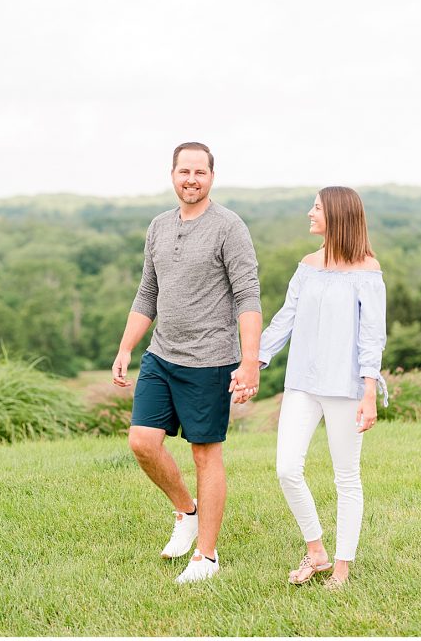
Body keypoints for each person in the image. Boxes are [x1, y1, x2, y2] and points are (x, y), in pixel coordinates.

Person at [111, 141, 262, 584]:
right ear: (172, 175)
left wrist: (249, 362)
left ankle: (207, 557)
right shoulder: (158, 226)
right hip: (161, 354)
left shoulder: (229, 227)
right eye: (184, 171)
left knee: (204, 453)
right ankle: (186, 511)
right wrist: (125, 349)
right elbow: (147, 293)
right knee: (141, 441)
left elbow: (248, 296)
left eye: (200, 172)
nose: (191, 179)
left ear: (211, 176)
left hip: (210, 360)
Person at [258, 186, 387, 589]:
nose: (309, 213)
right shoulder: (308, 264)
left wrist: (369, 391)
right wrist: (254, 360)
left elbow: (372, 335)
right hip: (301, 383)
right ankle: (316, 551)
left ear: (337, 215)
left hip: (346, 389)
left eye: (316, 208)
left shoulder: (368, 271)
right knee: (286, 469)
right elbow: (286, 318)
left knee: (346, 477)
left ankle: (343, 567)